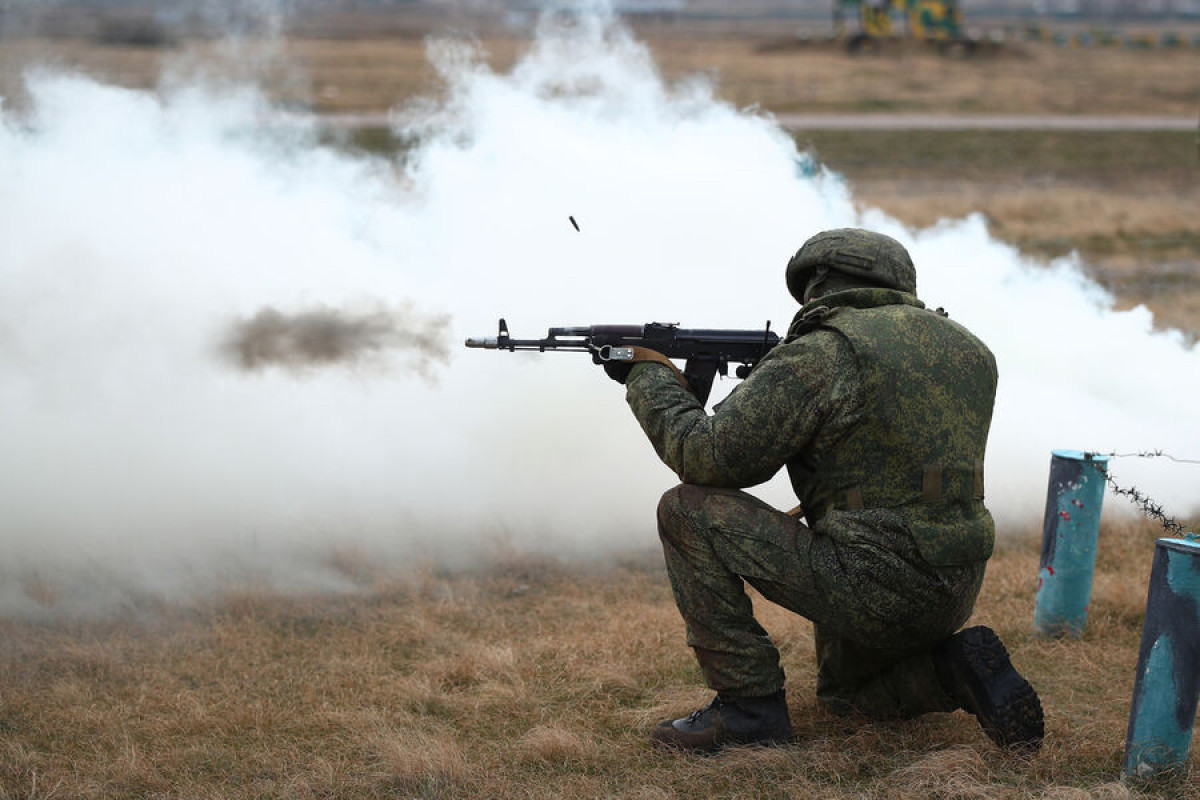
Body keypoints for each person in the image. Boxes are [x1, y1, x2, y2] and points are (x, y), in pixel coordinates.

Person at [603, 228, 1044, 754]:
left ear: (819, 282)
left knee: (685, 511)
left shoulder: (825, 352)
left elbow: (706, 456)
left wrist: (646, 374)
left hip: (871, 580)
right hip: (954, 581)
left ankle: (749, 710)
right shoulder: (970, 350)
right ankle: (954, 670)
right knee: (848, 699)